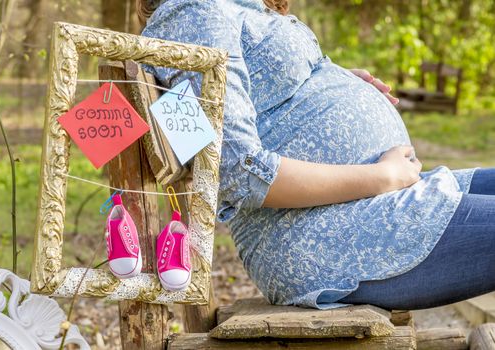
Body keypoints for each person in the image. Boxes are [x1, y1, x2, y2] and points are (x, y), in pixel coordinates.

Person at [139, 0, 495, 310]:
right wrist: (382, 177)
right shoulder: (191, 13)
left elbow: (257, 97)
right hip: (325, 232)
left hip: (366, 205)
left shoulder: (230, 7)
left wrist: (337, 82)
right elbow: (237, 172)